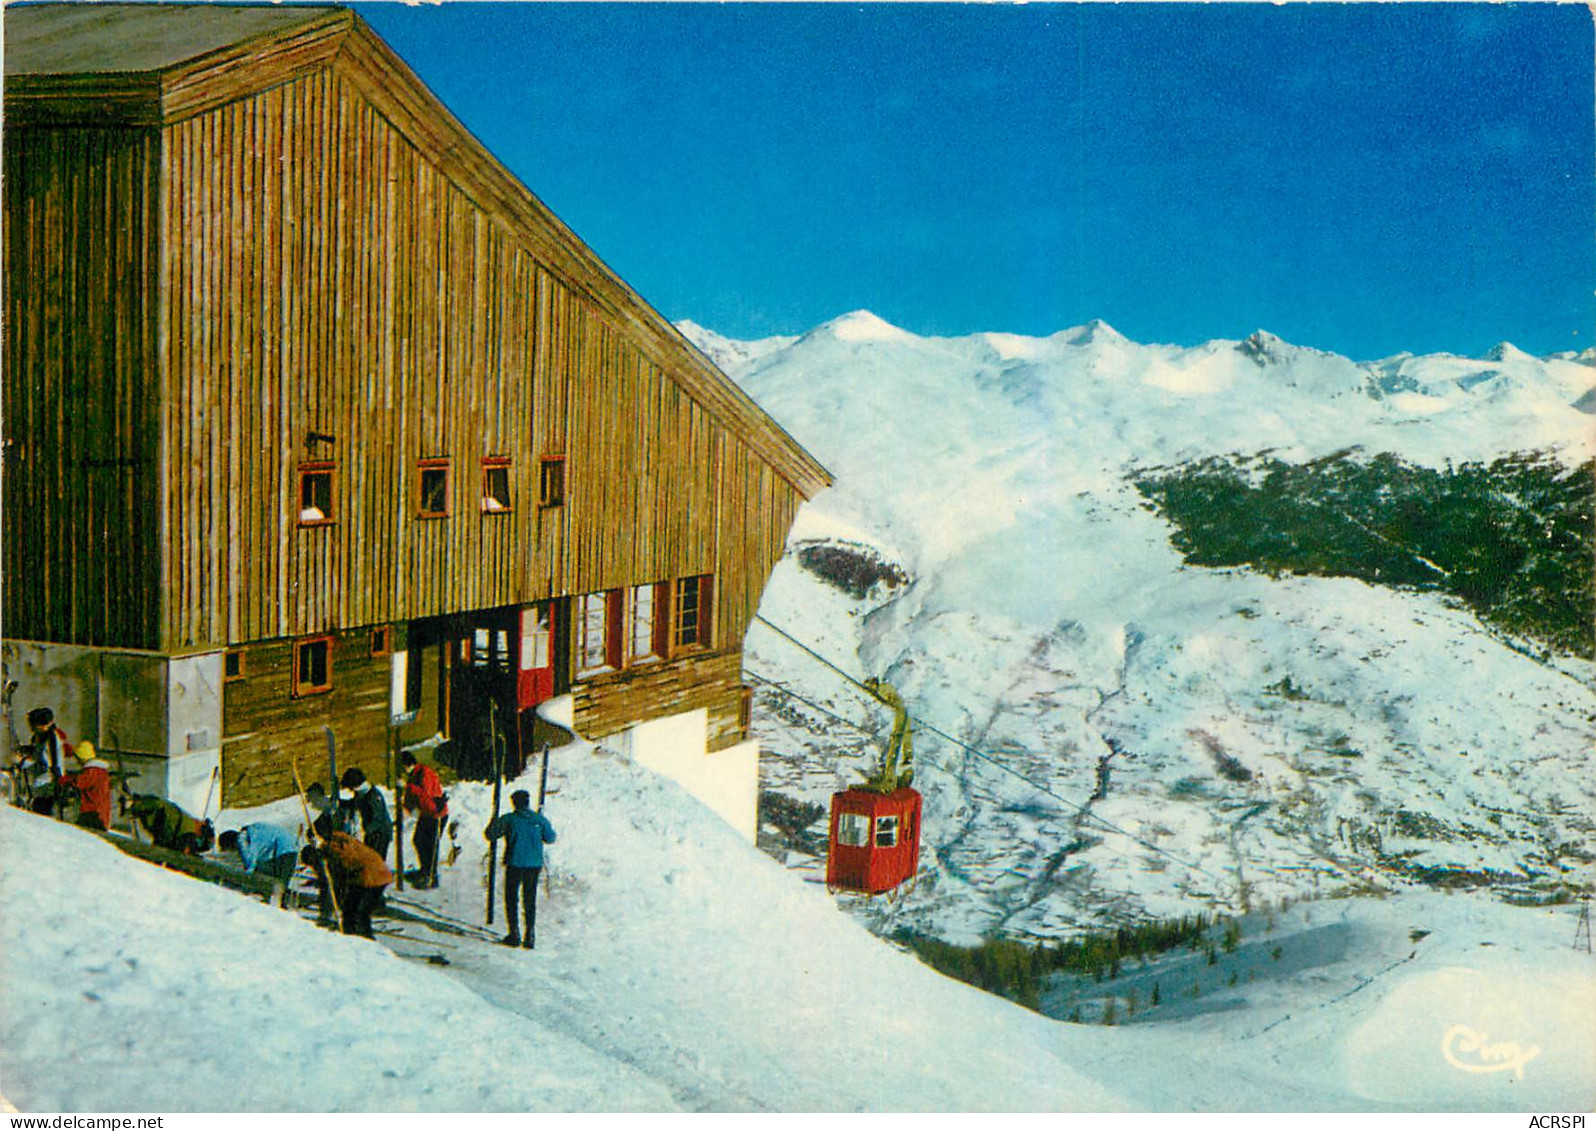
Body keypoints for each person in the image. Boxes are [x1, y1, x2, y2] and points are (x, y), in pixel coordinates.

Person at [484, 789, 556, 949]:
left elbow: (490, 834)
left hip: (515, 862)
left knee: (511, 898)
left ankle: (514, 933)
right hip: (534, 864)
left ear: (514, 803)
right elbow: (551, 838)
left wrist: (493, 820)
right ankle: (530, 934)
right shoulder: (539, 819)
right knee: (530, 899)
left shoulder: (510, 819)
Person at [304, 815, 393, 938]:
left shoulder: (338, 842)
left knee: (358, 913)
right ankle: (353, 936)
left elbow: (346, 857)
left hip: (372, 877)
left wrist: (324, 847)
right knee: (351, 911)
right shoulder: (334, 844)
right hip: (366, 877)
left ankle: (363, 940)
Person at [218, 823, 300, 908]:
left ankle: (281, 906)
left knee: (279, 884)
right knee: (276, 880)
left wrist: (245, 885)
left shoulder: (242, 839)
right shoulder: (250, 832)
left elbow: (250, 862)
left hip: (285, 849)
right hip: (287, 845)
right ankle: (272, 900)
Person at [400, 752, 448, 887]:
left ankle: (432, 877)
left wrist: (409, 787)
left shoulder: (425, 773)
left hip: (436, 813)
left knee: (431, 846)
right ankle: (424, 870)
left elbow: (425, 794)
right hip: (426, 814)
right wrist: (406, 809)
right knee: (419, 841)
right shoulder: (413, 775)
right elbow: (411, 797)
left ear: (409, 764)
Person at [125, 791, 214, 854]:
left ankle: (132, 804)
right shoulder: (188, 833)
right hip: (159, 814)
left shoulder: (188, 825)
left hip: (158, 811)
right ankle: (132, 805)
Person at [24, 707, 71, 816]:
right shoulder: (40, 736)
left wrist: (57, 781)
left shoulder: (51, 738)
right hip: (42, 781)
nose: (32, 728)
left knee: (43, 815)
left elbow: (51, 762)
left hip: (48, 783)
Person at [340, 767, 392, 860]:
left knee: (375, 861)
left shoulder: (373, 797)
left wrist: (364, 831)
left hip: (380, 834)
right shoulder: (362, 793)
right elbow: (355, 803)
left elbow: (378, 819)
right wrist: (341, 803)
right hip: (371, 833)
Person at [58, 740, 112, 830]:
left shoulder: (93, 771)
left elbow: (79, 783)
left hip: (93, 813)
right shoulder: (100, 771)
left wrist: (64, 779)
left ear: (81, 757)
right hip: (99, 812)